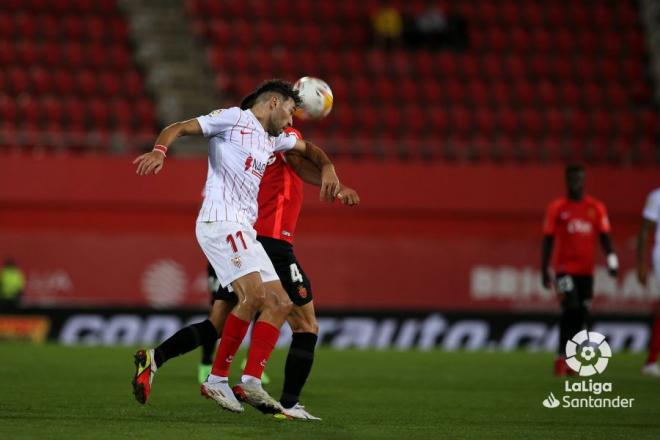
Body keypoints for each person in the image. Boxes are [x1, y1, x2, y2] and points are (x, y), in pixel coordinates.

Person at [132, 79, 342, 414]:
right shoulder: (232, 119)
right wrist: (160, 151)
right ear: (273, 102)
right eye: (290, 111)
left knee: (280, 302)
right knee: (254, 297)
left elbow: (309, 151)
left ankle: (251, 381)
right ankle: (217, 379)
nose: (292, 120)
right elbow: (180, 127)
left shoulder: (271, 139)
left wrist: (330, 171)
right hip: (220, 223)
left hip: (245, 231)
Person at [541, 164, 618, 377]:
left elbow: (605, 238)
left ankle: (569, 360)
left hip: (586, 273)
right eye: (572, 178)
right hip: (564, 271)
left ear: (584, 180)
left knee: (581, 313)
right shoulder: (557, 208)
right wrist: (543, 269)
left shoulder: (596, 208)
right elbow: (547, 240)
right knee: (571, 307)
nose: (576, 182)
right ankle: (561, 358)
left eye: (579, 178)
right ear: (567, 180)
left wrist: (612, 261)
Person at [637, 187, 660, 377]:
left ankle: (651, 361)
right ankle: (651, 361)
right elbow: (645, 230)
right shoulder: (656, 196)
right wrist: (641, 263)